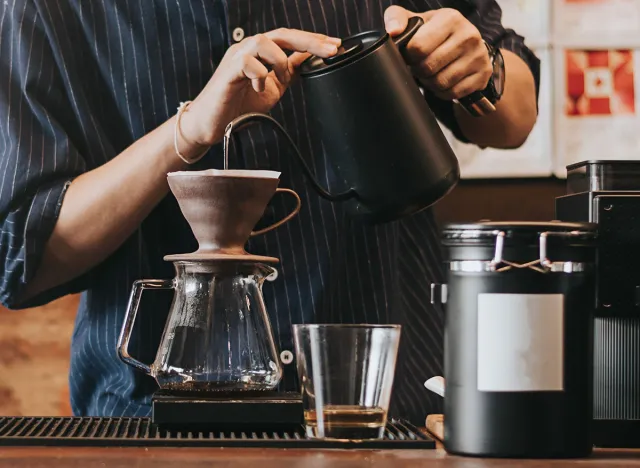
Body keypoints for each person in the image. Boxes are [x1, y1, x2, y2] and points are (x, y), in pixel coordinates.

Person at [0, 0, 539, 422]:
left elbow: (514, 120)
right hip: (148, 419)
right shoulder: (46, 10)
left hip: (380, 407)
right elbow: (24, 254)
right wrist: (187, 133)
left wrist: (482, 66)